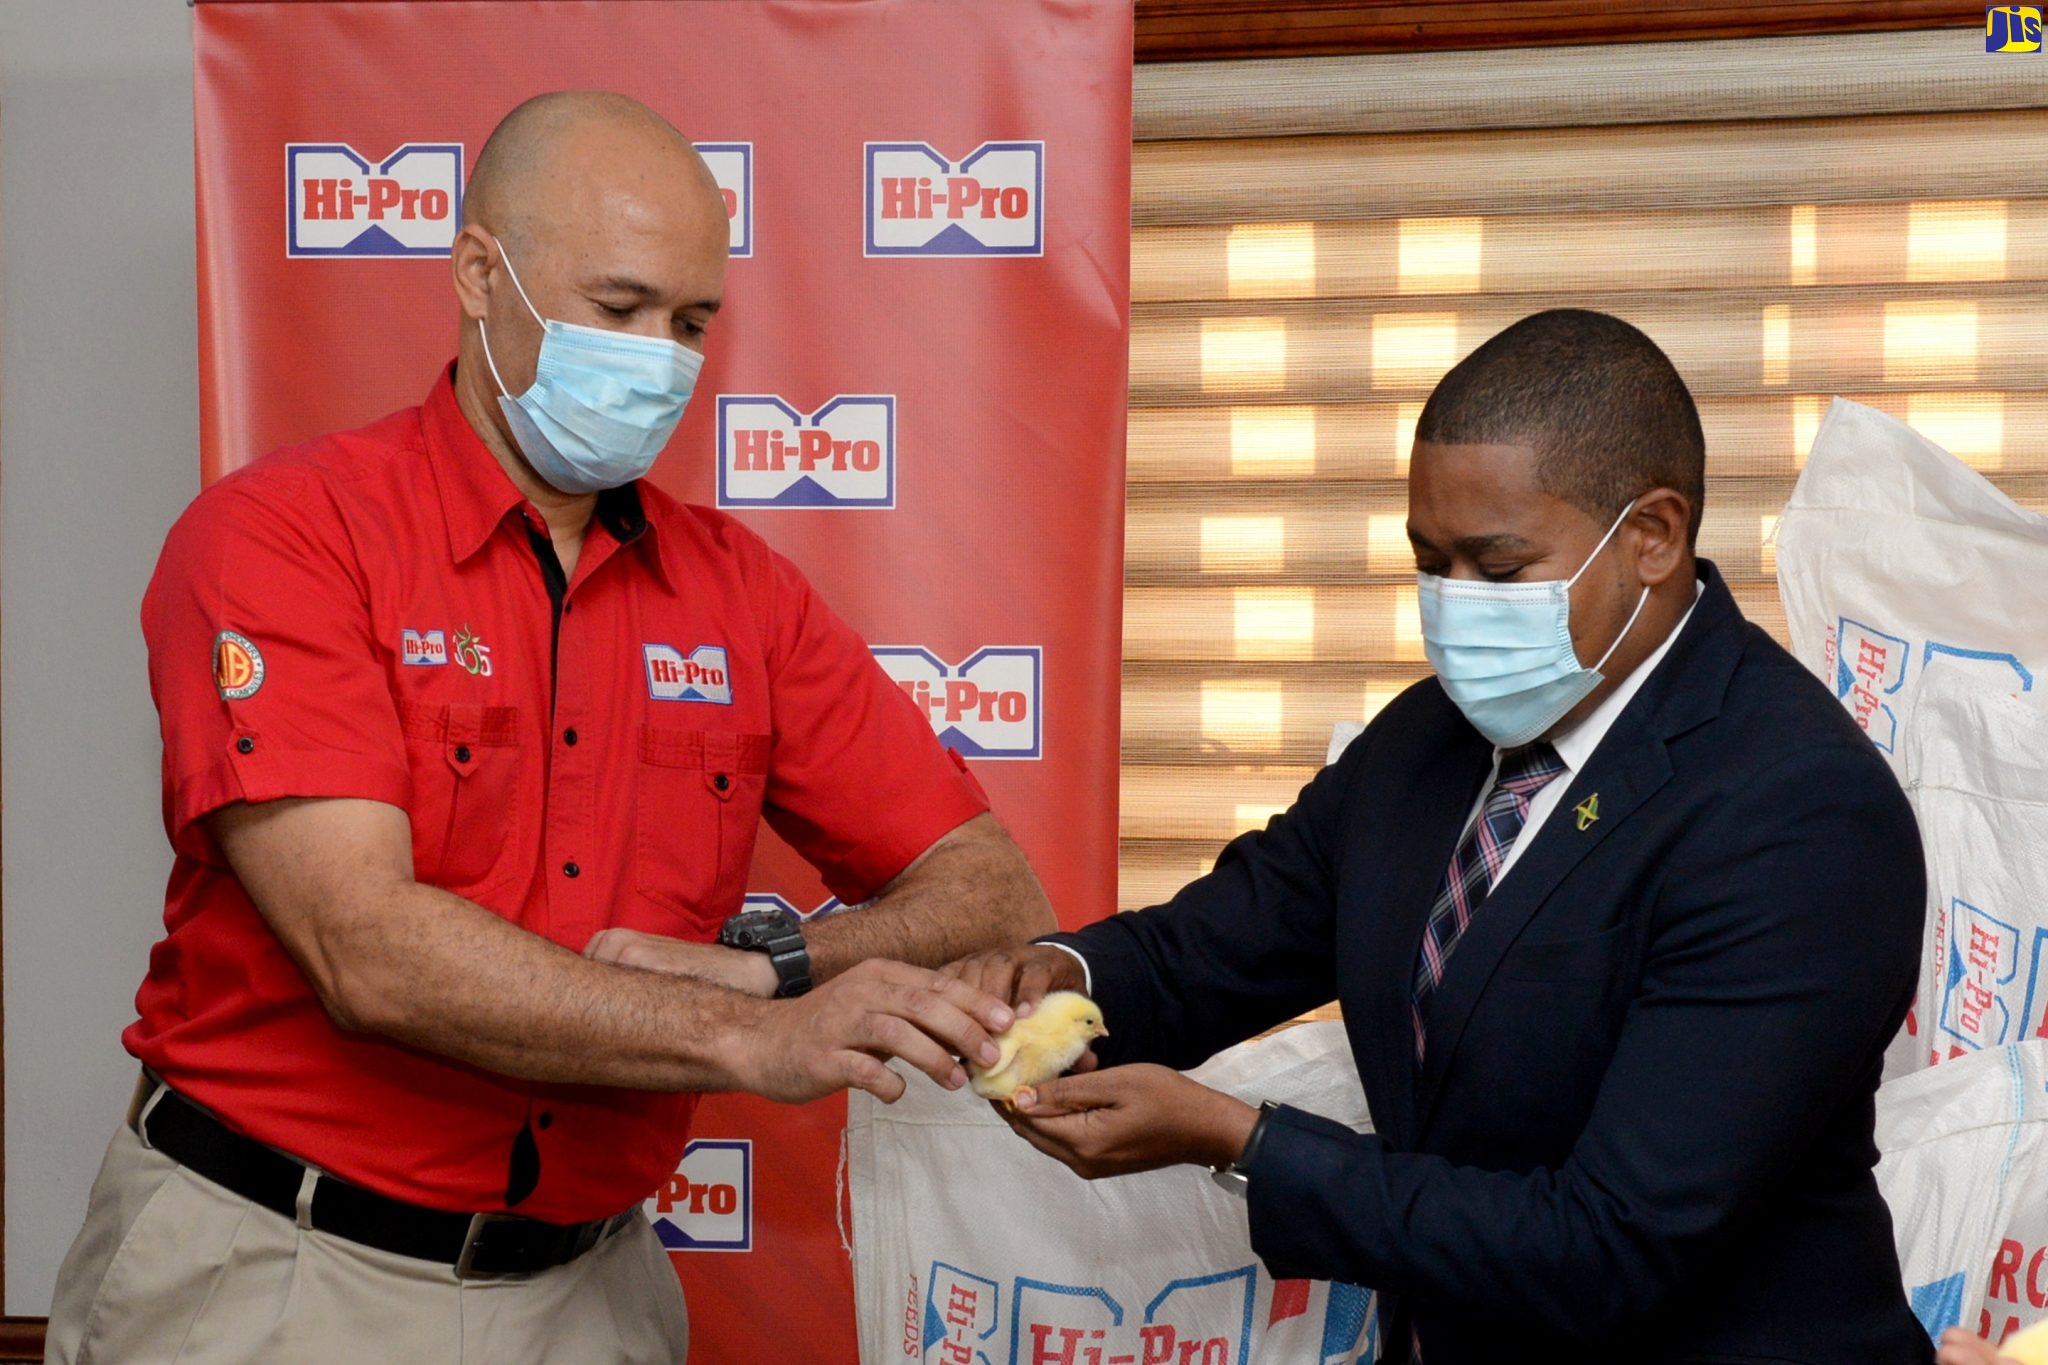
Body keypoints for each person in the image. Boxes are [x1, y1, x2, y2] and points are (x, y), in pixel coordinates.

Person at [46, 91, 1053, 1364]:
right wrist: (746, 1033)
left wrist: (773, 969)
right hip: (281, 1271)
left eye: (691, 324)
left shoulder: (743, 596)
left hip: (596, 1290)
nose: (660, 360)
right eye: (618, 310)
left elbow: (990, 888)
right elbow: (365, 947)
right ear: (479, 273)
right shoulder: (288, 537)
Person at [950, 310, 1931, 1362]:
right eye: (1428, 561)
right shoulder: (1426, 740)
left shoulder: (1793, 811)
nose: (1453, 609)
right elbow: (1226, 936)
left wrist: (1241, 1143)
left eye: (1497, 569)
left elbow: (1606, 1244)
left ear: (1649, 535)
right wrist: (1066, 974)